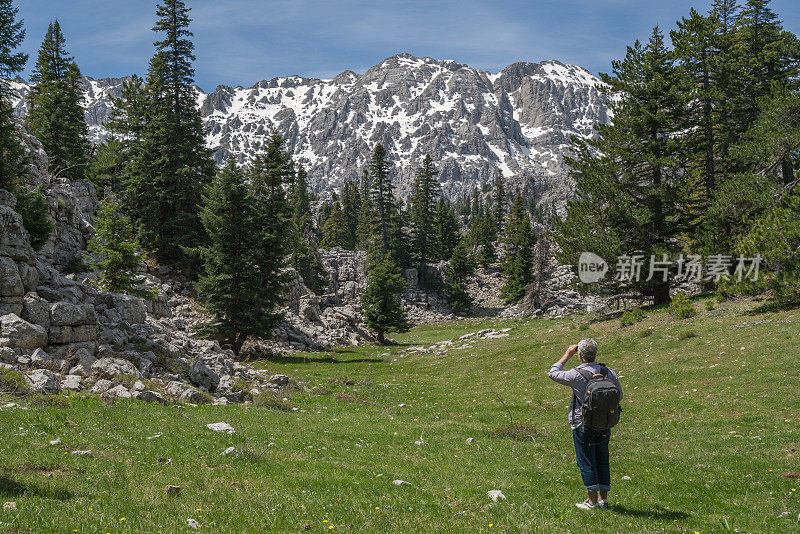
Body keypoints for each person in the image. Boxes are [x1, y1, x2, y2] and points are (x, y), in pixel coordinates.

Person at [548, 338, 623, 510]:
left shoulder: (575, 374)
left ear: (580, 356)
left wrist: (567, 355)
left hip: (582, 422)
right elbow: (619, 396)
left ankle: (591, 501)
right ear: (595, 353)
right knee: (602, 458)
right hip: (605, 422)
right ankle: (603, 499)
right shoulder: (608, 372)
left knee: (586, 460)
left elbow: (553, 373)